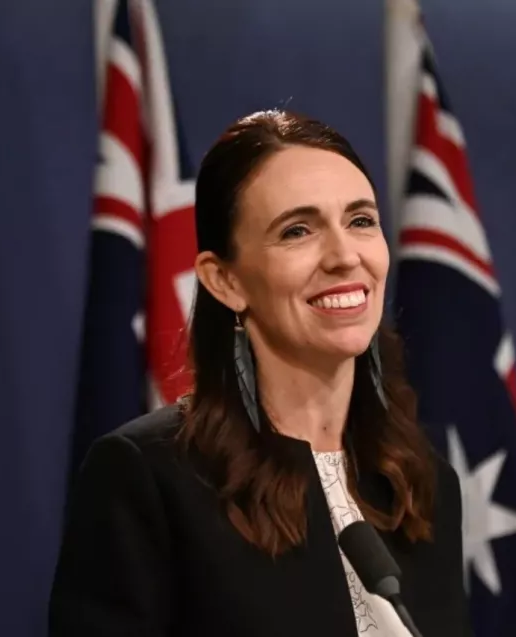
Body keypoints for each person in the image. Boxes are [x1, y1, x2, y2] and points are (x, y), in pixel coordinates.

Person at [48, 110, 472, 637]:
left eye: (361, 221)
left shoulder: (420, 481)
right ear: (224, 280)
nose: (345, 256)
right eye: (297, 230)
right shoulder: (148, 478)